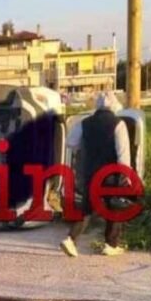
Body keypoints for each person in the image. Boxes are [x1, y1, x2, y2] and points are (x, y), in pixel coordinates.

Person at [59, 91, 132, 258]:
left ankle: (70, 239)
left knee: (87, 208)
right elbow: (123, 152)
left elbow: (70, 142)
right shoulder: (118, 124)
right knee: (114, 208)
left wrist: (87, 146)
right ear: (114, 106)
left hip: (90, 172)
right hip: (111, 175)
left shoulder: (85, 123)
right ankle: (111, 245)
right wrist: (126, 175)